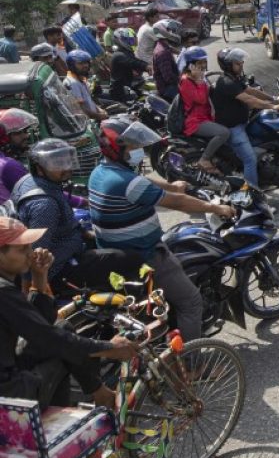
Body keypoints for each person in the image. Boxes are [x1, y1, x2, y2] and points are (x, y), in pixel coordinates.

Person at [89, 116, 234, 342]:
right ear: (116, 147)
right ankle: (191, 365)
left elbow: (144, 183)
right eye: (132, 145)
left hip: (117, 255)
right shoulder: (128, 183)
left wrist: (172, 186)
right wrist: (214, 208)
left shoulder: (102, 172)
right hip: (145, 256)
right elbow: (176, 202)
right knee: (191, 302)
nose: (138, 149)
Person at [0, 217, 139, 409]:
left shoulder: (7, 285)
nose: (31, 254)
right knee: (62, 353)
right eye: (22, 250)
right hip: (7, 394)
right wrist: (108, 347)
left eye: (30, 247)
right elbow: (49, 337)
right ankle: (56, 421)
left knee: (63, 328)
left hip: (9, 365)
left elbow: (40, 324)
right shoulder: (4, 291)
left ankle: (100, 394)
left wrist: (39, 277)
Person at [12, 139, 143, 297]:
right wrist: (30, 295)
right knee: (131, 259)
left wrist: (87, 235)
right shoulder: (45, 205)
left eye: (66, 160)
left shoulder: (31, 181)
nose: (66, 168)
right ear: (39, 168)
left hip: (69, 244)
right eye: (56, 163)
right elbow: (34, 255)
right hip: (60, 268)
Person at [211, 47, 279, 189]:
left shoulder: (234, 79)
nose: (241, 65)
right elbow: (250, 100)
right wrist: (272, 107)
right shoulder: (226, 82)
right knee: (250, 159)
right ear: (228, 65)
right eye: (237, 63)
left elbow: (251, 91)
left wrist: (274, 99)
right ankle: (252, 194)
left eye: (241, 62)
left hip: (243, 123)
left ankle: (262, 178)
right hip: (233, 128)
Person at [178, 47, 229, 174]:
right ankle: (204, 159)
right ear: (190, 64)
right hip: (195, 122)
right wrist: (200, 79)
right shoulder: (186, 81)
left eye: (204, 62)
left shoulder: (199, 77)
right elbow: (200, 99)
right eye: (199, 63)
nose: (202, 65)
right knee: (224, 133)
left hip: (205, 116)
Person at [64, 51, 107, 123]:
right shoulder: (73, 83)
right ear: (72, 66)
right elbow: (80, 110)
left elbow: (89, 101)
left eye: (86, 62)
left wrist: (99, 110)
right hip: (89, 123)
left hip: (95, 118)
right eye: (80, 63)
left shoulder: (81, 79)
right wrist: (100, 116)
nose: (85, 65)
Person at [108, 28, 147, 103]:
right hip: (120, 90)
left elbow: (133, 63)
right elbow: (132, 62)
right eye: (129, 40)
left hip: (127, 85)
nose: (132, 42)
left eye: (132, 40)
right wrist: (146, 66)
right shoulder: (119, 54)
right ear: (122, 41)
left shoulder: (127, 52)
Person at [150, 19, 182, 102]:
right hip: (167, 89)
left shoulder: (163, 46)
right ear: (163, 31)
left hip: (166, 86)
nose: (174, 32)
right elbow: (168, 77)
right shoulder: (163, 52)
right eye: (170, 30)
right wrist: (182, 79)